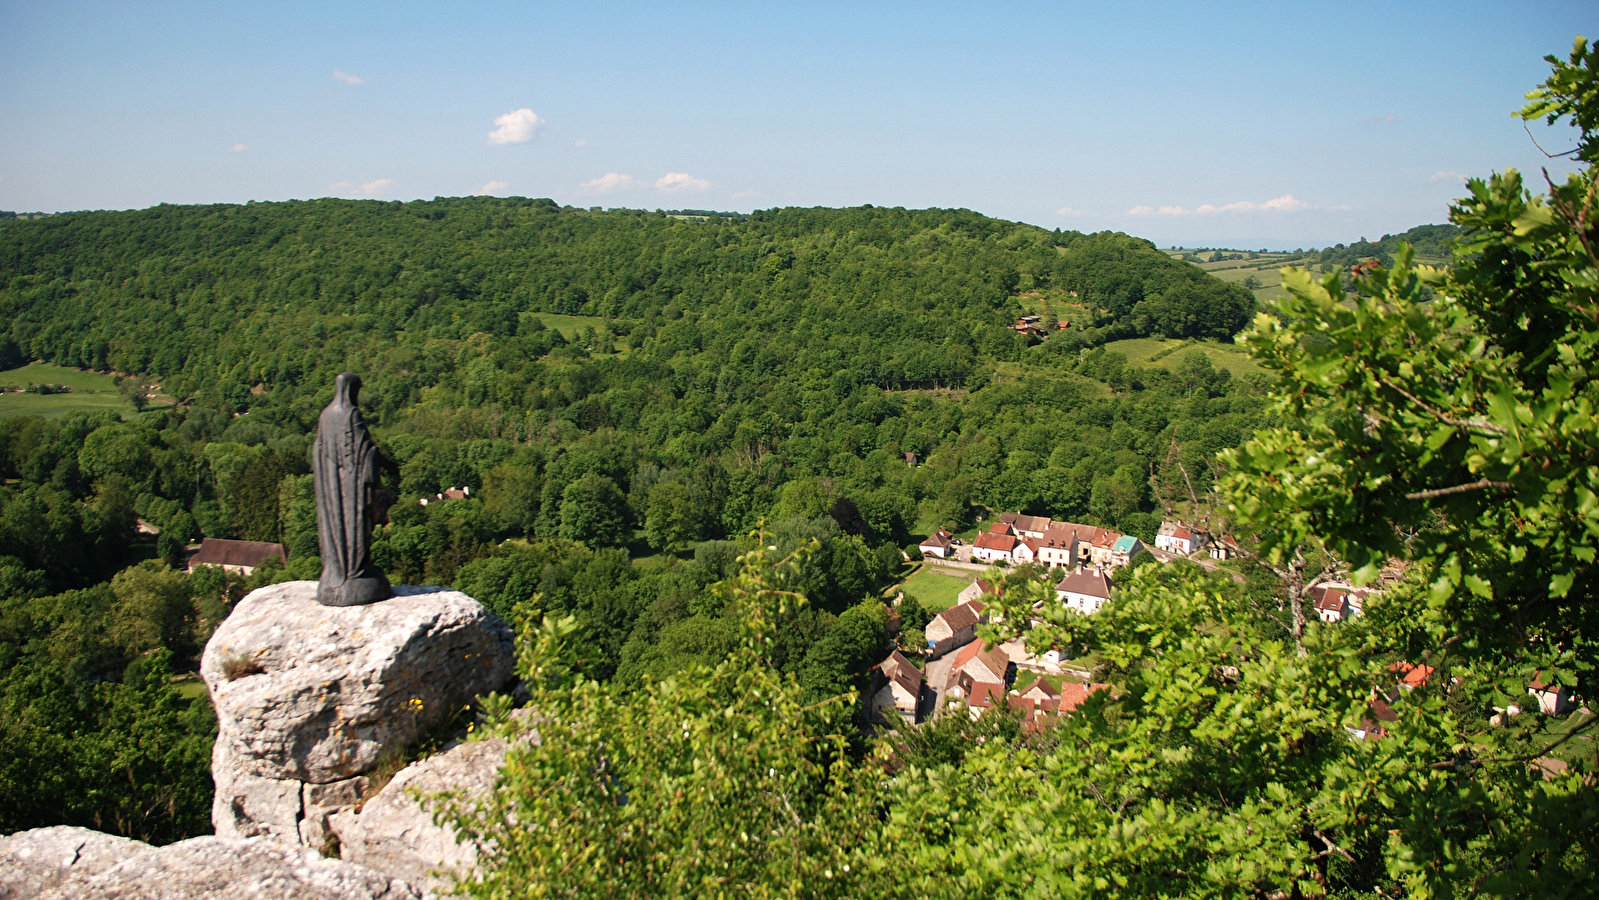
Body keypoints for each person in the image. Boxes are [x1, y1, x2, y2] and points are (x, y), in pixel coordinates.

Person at [313, 372, 398, 606]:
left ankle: (337, 571)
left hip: (332, 486)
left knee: (335, 523)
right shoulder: (351, 414)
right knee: (357, 524)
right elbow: (365, 449)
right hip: (352, 487)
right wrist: (389, 464)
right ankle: (354, 571)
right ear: (352, 389)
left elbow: (320, 451)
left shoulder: (326, 415)